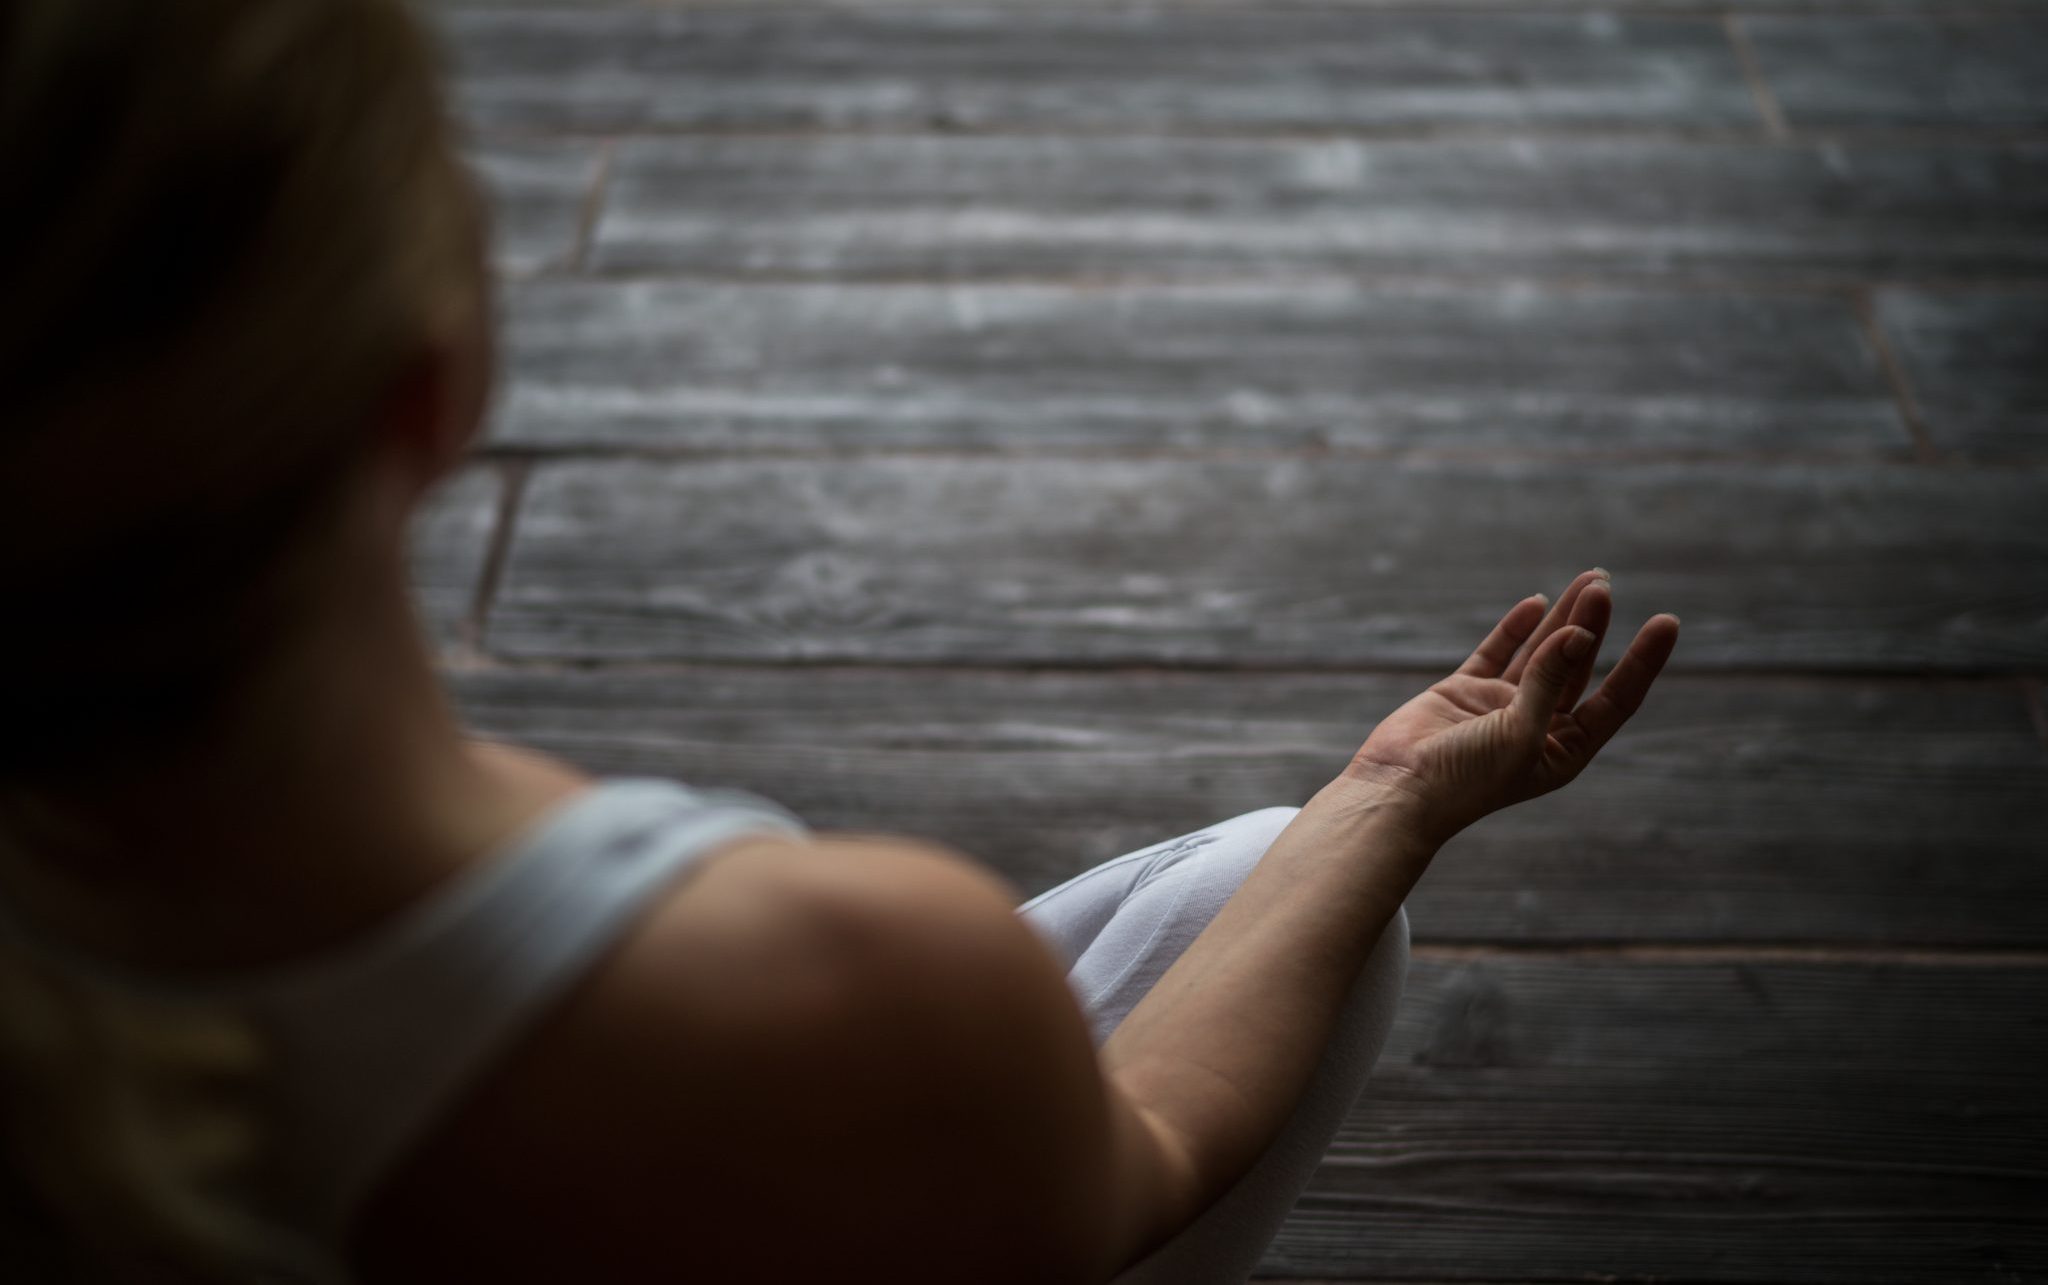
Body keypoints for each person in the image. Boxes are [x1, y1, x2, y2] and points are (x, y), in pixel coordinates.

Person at [0, 2, 1682, 1281]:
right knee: (1283, 877)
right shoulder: (830, 1002)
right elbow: (1148, 1158)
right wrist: (1388, 799)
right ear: (425, 391)